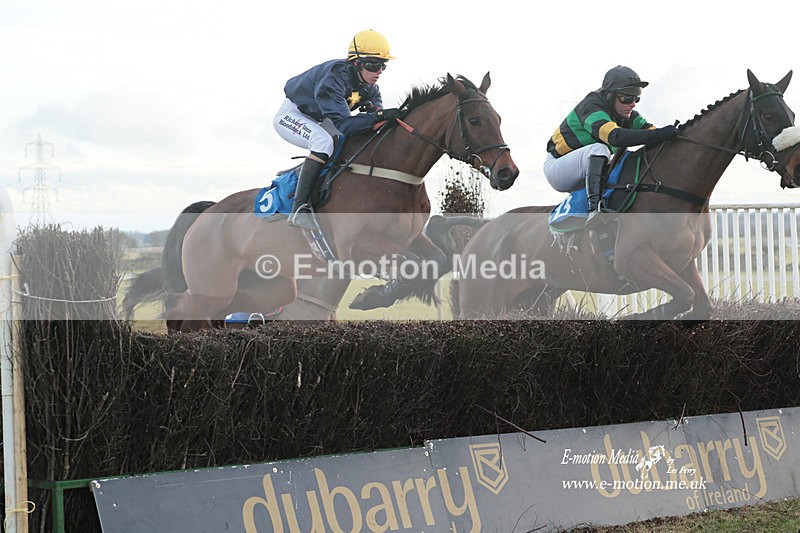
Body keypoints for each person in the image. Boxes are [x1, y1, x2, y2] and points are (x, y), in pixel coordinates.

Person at [273, 29, 405, 230]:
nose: (378, 72)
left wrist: (378, 114)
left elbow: (374, 117)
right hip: (293, 115)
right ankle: (299, 208)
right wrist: (378, 116)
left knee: (343, 142)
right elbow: (345, 124)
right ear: (356, 63)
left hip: (322, 118)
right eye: (373, 65)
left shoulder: (370, 87)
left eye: (383, 66)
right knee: (323, 142)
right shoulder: (334, 77)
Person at [543, 65, 679, 225]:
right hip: (558, 167)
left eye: (636, 98)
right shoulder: (591, 106)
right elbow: (614, 137)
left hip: (584, 166)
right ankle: (595, 210)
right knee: (601, 148)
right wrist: (658, 135)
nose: (633, 103)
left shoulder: (628, 115)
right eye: (627, 98)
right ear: (609, 96)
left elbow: (652, 131)